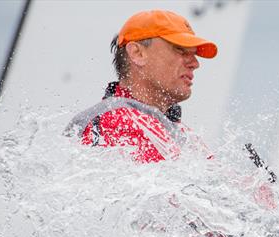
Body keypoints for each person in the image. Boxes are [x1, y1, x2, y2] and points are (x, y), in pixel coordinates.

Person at [66, 10, 218, 163]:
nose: (195, 63)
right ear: (137, 53)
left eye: (193, 54)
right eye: (180, 49)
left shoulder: (178, 128)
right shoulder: (113, 120)